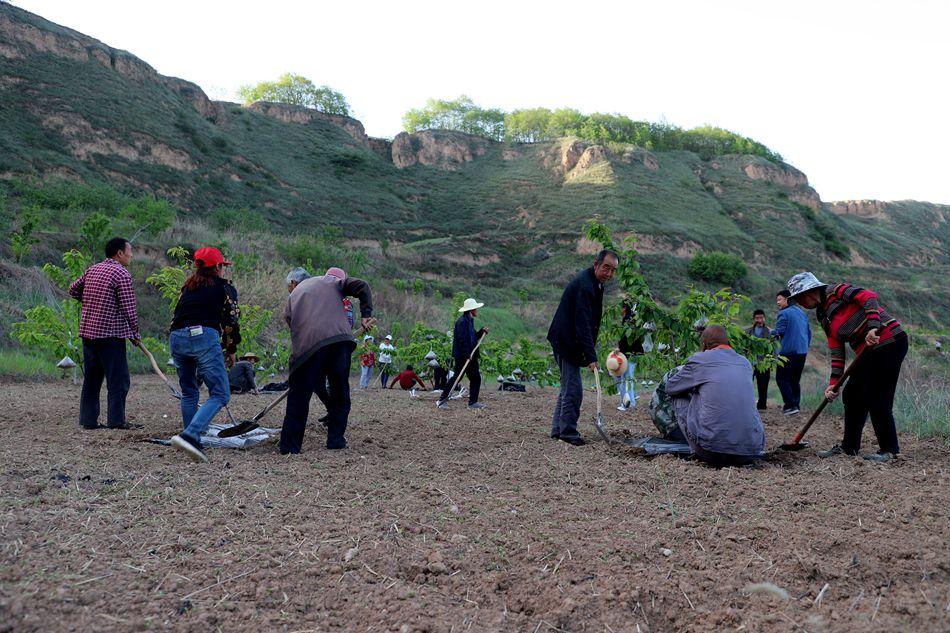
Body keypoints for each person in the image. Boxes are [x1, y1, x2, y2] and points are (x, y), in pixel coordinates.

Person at [785, 272, 908, 462]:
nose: (799, 303)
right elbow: (836, 349)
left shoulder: (836, 291)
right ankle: (849, 447)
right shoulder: (822, 315)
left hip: (889, 342)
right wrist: (834, 384)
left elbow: (869, 297)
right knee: (852, 394)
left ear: (808, 292)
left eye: (799, 298)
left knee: (878, 397)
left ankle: (890, 450)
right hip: (867, 352)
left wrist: (873, 327)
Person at [280, 268, 374, 454]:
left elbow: (290, 322)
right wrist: (366, 314)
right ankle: (335, 441)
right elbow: (362, 286)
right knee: (340, 394)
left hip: (308, 348)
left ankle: (290, 447)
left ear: (293, 284)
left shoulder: (293, 296)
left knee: (298, 398)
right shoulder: (332, 282)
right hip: (339, 343)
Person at [167, 247, 242, 462]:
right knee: (220, 393)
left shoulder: (188, 287)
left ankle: (192, 441)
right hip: (203, 336)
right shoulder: (225, 287)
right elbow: (231, 322)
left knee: (189, 391)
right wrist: (230, 350)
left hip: (177, 338)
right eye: (222, 266)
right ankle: (190, 434)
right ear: (217, 267)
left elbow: (176, 317)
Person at [664, 326, 766, 466]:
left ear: (704, 344)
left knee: (678, 396)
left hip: (711, 451)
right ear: (727, 343)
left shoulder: (700, 359)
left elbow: (670, 387)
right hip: (751, 450)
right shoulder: (745, 363)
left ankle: (686, 441)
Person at [547, 249, 619, 445]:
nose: (609, 274)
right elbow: (583, 323)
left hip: (569, 340)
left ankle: (557, 430)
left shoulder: (596, 283)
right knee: (573, 389)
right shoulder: (584, 285)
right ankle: (568, 433)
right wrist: (590, 356)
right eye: (606, 268)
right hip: (566, 341)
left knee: (567, 387)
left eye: (613, 270)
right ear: (596, 264)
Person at [68, 237, 140, 430]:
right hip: (110, 336)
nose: (131, 255)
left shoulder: (93, 269)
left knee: (92, 379)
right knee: (118, 380)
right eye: (130, 251)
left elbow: (73, 289)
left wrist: (93, 301)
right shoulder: (121, 273)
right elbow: (128, 308)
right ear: (119, 253)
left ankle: (88, 421)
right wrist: (135, 332)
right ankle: (116, 421)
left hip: (89, 334)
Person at [437, 298, 488, 410]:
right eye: (476, 309)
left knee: (475, 378)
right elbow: (462, 340)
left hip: (471, 355)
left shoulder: (469, 321)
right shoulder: (461, 322)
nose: (477, 311)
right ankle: (441, 400)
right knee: (456, 378)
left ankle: (473, 403)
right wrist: (466, 355)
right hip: (463, 356)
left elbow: (473, 337)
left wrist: (481, 331)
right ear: (471, 309)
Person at [772, 289, 811, 414]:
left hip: (788, 352)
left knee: (781, 378)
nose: (777, 302)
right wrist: (804, 346)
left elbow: (779, 332)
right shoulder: (802, 313)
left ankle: (789, 406)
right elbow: (809, 333)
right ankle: (796, 405)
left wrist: (769, 333)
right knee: (794, 380)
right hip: (802, 351)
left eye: (779, 299)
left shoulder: (784, 313)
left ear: (787, 299)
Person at [614, 301, 645, 411]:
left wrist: (620, 350)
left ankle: (629, 404)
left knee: (626, 378)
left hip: (630, 353)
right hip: (632, 353)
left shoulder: (628, 319)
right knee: (626, 378)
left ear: (624, 308)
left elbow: (627, 339)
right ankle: (629, 402)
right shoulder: (630, 318)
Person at [746, 309, 772, 410]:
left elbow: (774, 347)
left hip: (764, 363)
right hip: (750, 362)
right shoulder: (748, 331)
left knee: (763, 385)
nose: (759, 320)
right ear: (753, 319)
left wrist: (771, 361)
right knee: (747, 384)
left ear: (764, 318)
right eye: (757, 318)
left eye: (761, 317)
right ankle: (748, 404)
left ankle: (762, 406)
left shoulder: (769, 331)